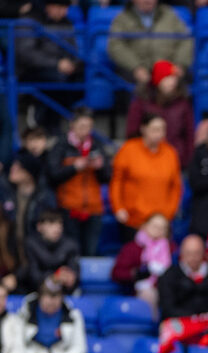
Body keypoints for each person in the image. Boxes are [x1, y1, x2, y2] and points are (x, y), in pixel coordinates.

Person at [46, 108, 110, 256]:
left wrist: (101, 168)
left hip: (93, 208)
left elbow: (107, 177)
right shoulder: (61, 145)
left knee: (91, 251)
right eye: (82, 126)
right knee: (71, 251)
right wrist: (74, 167)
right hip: (69, 208)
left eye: (89, 127)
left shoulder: (97, 145)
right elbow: (52, 175)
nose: (85, 131)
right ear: (72, 125)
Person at [15, 0, 82, 132]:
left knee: (82, 79)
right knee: (56, 80)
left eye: (65, 8)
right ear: (49, 6)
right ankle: (40, 121)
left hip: (60, 70)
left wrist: (72, 63)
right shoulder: (29, 21)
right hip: (30, 71)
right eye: (60, 6)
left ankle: (53, 124)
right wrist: (56, 64)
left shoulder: (66, 23)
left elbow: (72, 50)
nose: (64, 12)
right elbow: (26, 54)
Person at [5, 279, 93, 353]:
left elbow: (79, 348)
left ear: (62, 298)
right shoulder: (25, 314)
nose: (52, 302)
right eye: (48, 297)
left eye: (56, 297)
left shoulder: (73, 315)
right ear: (40, 297)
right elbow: (18, 346)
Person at [110, 113, 183, 230]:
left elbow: (175, 186)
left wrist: (169, 212)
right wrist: (118, 207)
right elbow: (117, 181)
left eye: (162, 129)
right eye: (155, 129)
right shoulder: (128, 149)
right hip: (133, 218)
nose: (159, 134)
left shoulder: (170, 152)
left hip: (161, 221)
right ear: (143, 129)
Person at [126, 61, 194, 168]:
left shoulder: (182, 103)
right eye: (168, 77)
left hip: (176, 161)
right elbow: (132, 133)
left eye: (174, 78)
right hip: (145, 162)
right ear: (158, 79)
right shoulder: (141, 103)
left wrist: (187, 160)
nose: (172, 82)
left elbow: (189, 134)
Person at [107, 0, 193, 84]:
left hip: (169, 69)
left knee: (186, 81)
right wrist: (136, 67)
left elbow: (186, 40)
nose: (148, 1)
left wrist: (179, 66)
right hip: (134, 72)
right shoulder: (122, 18)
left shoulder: (170, 15)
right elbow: (116, 46)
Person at [158, 235, 208, 320]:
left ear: (204, 253)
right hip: (181, 322)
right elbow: (168, 308)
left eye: (197, 253)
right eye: (188, 253)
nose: (192, 257)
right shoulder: (169, 276)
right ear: (181, 253)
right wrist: (195, 319)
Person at [110, 213, 174, 310]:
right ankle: (152, 323)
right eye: (155, 226)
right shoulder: (133, 248)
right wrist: (137, 273)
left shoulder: (171, 248)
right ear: (145, 226)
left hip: (166, 288)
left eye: (163, 228)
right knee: (149, 294)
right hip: (139, 289)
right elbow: (117, 273)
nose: (158, 230)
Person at [22, 209, 80, 295]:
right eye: (51, 223)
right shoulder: (30, 244)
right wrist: (53, 277)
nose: (57, 227)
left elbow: (74, 271)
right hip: (36, 291)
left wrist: (70, 277)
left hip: (64, 292)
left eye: (60, 223)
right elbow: (32, 274)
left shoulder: (71, 245)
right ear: (39, 227)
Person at [1, 152, 57, 241]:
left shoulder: (44, 197)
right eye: (13, 165)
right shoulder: (8, 193)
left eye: (18, 167)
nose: (12, 168)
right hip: (11, 247)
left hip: (35, 248)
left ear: (29, 174)